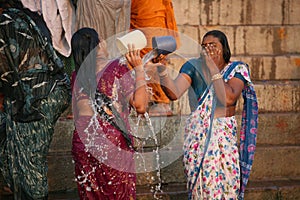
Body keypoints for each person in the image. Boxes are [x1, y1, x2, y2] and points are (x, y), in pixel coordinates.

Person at [153, 30, 258, 199]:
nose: (208, 49)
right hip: (197, 140)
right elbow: (174, 93)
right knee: (201, 190)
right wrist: (162, 71)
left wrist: (213, 69)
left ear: (224, 49)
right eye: (204, 46)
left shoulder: (236, 69)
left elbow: (228, 99)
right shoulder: (193, 67)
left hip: (223, 141)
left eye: (213, 45)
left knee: (227, 187)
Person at [0, 1, 71, 199]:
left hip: (36, 96)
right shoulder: (21, 15)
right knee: (18, 155)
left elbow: (5, 71)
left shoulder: (5, 22)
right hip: (52, 89)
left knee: (31, 163)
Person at [71, 28, 151, 199]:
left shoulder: (76, 76)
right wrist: (139, 70)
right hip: (111, 144)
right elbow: (141, 106)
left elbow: (78, 115)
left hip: (82, 144)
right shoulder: (116, 68)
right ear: (99, 45)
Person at [130, 0, 180, 116]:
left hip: (151, 7)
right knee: (134, 50)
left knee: (153, 49)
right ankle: (140, 99)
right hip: (131, 8)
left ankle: (159, 101)